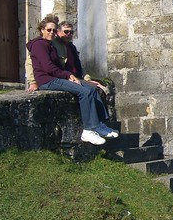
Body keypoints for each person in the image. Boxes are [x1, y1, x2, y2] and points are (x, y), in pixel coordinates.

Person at [26, 14, 118, 145]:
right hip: (47, 80)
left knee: (91, 89)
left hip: (55, 77)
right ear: (42, 30)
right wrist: (66, 75)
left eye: (53, 30)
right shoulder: (39, 45)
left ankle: (98, 125)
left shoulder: (51, 45)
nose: (51, 32)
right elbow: (48, 67)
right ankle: (88, 130)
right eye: (48, 30)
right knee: (84, 92)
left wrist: (80, 78)